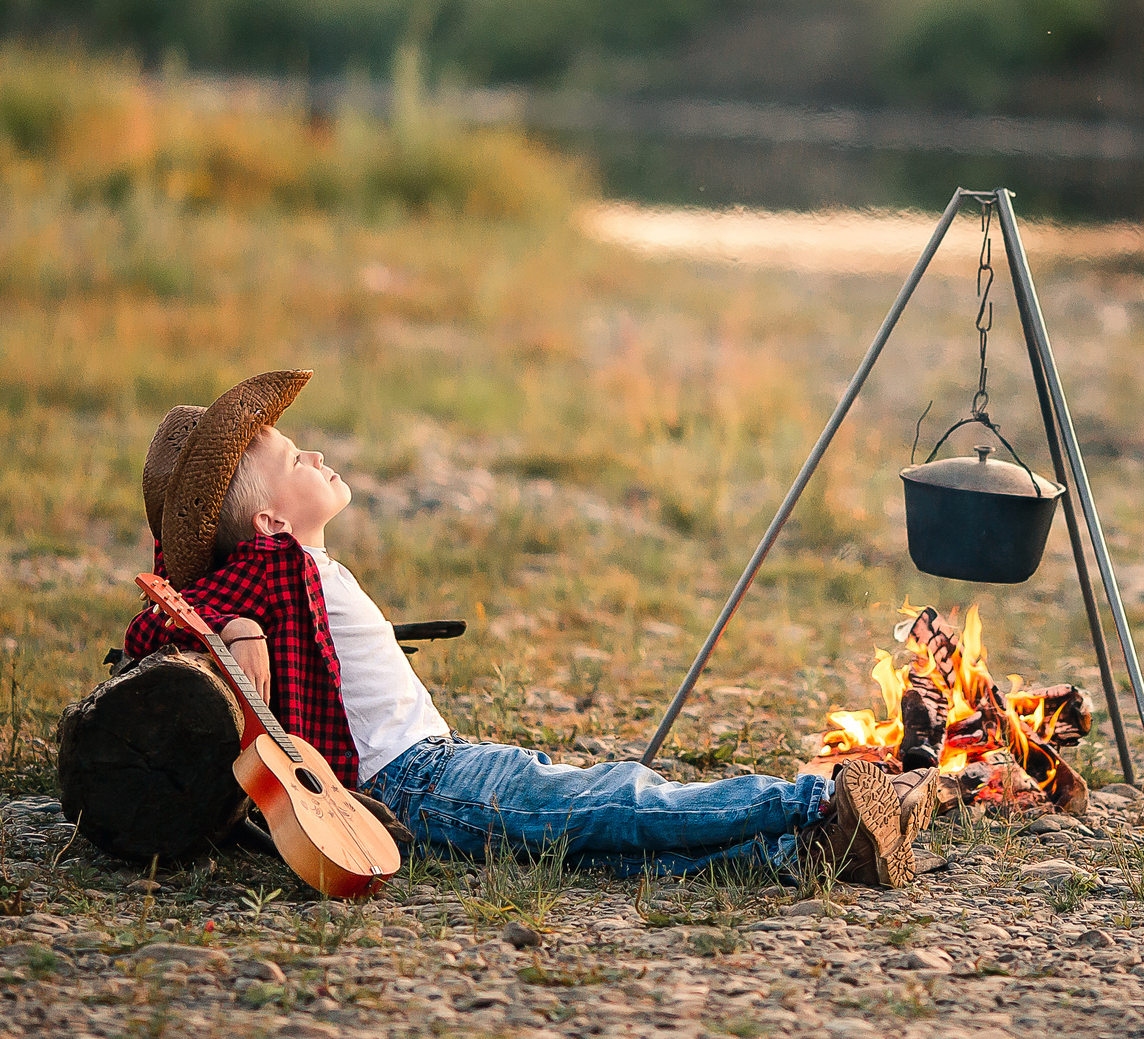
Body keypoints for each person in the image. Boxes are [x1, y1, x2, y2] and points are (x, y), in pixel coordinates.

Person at [125, 370, 923, 885]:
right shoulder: (267, 573)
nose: (320, 453)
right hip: (417, 783)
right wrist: (234, 636)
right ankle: (813, 802)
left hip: (436, 770)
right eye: (297, 458)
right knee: (612, 798)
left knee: (606, 844)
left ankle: (809, 856)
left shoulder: (295, 571)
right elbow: (186, 624)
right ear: (267, 519)